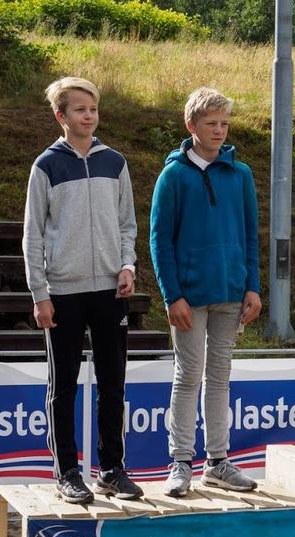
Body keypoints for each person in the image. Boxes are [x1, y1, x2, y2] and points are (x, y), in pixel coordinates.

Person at [23, 76, 141, 504]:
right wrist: (40, 293)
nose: (88, 116)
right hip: (63, 293)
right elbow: (32, 235)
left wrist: (127, 265)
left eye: (93, 109)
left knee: (113, 384)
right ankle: (67, 471)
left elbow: (127, 224)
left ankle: (111, 469)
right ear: (61, 116)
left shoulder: (115, 162)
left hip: (111, 291)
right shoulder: (46, 166)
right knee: (64, 386)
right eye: (79, 110)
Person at [150, 87, 261, 497]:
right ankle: (180, 461)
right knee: (187, 376)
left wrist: (253, 286)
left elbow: (251, 235)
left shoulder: (241, 174)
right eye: (211, 123)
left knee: (220, 379)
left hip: (231, 294)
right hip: (189, 298)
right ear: (191, 125)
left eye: (224, 124)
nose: (219, 130)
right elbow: (159, 240)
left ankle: (218, 461)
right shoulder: (173, 175)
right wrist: (171, 294)